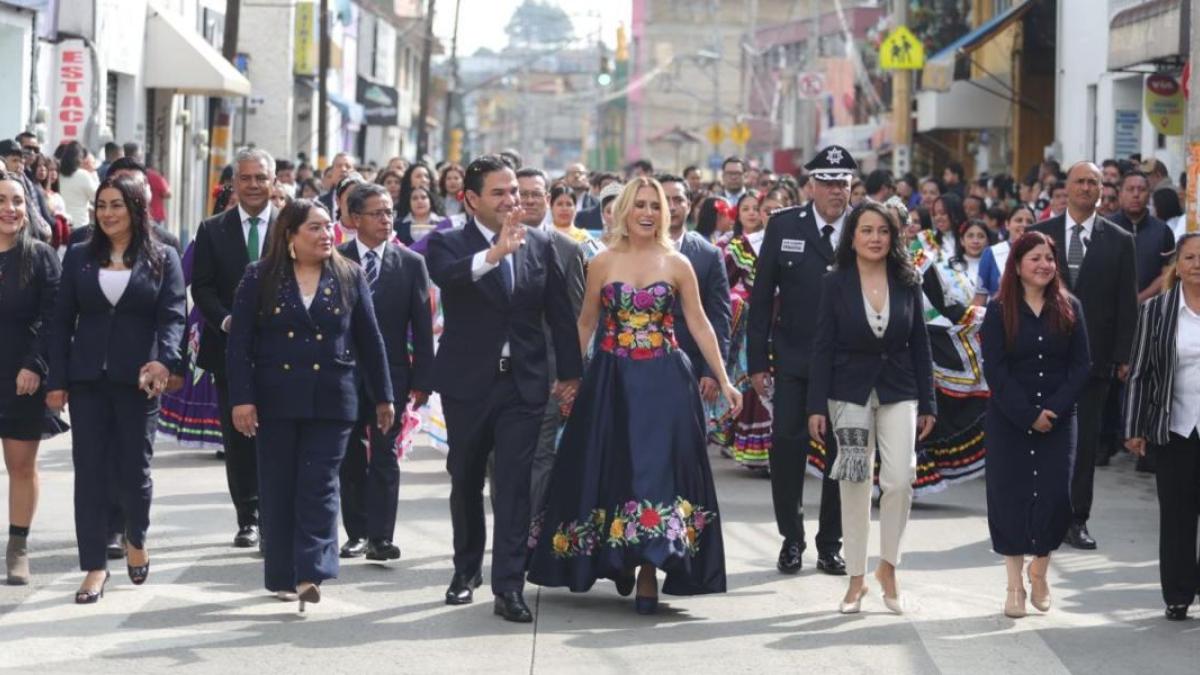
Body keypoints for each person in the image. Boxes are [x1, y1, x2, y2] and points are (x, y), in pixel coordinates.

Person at [527, 177, 741, 614]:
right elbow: (585, 322)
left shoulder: (678, 263)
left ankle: (648, 570)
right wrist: (570, 376)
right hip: (611, 379)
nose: (647, 212)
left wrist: (724, 378)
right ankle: (618, 557)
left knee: (656, 473)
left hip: (666, 382)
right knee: (613, 469)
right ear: (623, 210)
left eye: (655, 206)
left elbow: (700, 324)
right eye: (639, 204)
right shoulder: (602, 262)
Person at [424, 155, 582, 623]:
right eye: (500, 192)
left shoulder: (540, 244)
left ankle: (508, 587)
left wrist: (570, 374)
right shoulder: (448, 242)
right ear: (471, 199)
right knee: (467, 478)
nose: (512, 200)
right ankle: (465, 570)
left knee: (514, 488)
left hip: (524, 384)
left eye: (514, 191)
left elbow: (558, 312)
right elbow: (446, 277)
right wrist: (494, 255)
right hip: (468, 384)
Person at [226, 198, 393, 610]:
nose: (326, 235)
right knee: (279, 485)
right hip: (275, 398)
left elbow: (371, 342)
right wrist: (242, 399)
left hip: (332, 398)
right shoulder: (259, 277)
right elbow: (239, 345)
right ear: (290, 236)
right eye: (314, 228)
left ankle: (310, 571)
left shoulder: (349, 275)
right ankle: (283, 574)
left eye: (328, 227)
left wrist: (384, 396)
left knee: (319, 485)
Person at [46, 175, 186, 603]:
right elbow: (60, 320)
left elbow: (173, 316)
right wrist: (57, 381)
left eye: (116, 206)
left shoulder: (164, 257)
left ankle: (136, 537)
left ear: (136, 209)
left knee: (133, 471)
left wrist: (165, 359)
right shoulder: (79, 258)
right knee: (89, 475)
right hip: (87, 380)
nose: (107, 213)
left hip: (138, 381)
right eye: (101, 205)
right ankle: (93, 567)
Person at [808, 202, 936, 614]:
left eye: (883, 230)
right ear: (853, 236)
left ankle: (889, 567)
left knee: (900, 479)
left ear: (893, 235)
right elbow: (822, 346)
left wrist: (929, 401)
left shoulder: (908, 279)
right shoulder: (833, 282)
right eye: (866, 230)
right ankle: (856, 578)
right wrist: (816, 405)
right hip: (848, 393)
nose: (875, 238)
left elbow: (921, 343)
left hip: (900, 390)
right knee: (855, 483)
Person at [748, 145, 854, 576]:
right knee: (788, 448)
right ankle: (791, 538)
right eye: (827, 182)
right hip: (792, 359)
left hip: (848, 364)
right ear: (811, 185)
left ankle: (830, 543)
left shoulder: (866, 228)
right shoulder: (784, 226)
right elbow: (760, 299)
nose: (835, 191)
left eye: (842, 183)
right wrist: (758, 361)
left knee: (842, 455)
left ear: (852, 187)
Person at [981, 231, 1090, 618]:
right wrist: (1027, 413)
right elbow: (994, 368)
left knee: (1056, 498)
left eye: (1049, 258)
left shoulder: (1070, 307)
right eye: (1035, 258)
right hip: (1009, 419)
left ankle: (1040, 570)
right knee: (1008, 499)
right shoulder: (998, 311)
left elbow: (1081, 367)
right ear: (1018, 265)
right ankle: (1014, 586)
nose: (1044, 265)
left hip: (1059, 421)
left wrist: (1053, 411)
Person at [1030, 161, 1137, 550]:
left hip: (1094, 360)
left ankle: (1077, 519)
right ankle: (1040, 514)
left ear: (1101, 190)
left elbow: (1127, 304)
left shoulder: (1120, 239)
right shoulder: (1039, 235)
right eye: (1080, 181)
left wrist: (1124, 355)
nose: (1086, 188)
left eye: (1094, 182)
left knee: (1085, 443)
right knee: (1042, 438)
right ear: (1067, 187)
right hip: (1043, 357)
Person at [334, 184, 434, 561]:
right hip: (343, 373)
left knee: (385, 456)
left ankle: (381, 537)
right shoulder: (337, 259)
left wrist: (423, 380)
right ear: (355, 219)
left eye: (390, 211)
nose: (386, 219)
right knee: (349, 457)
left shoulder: (410, 263)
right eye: (377, 213)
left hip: (392, 377)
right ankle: (356, 532)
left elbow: (422, 327)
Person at [192, 148, 278, 549]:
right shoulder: (213, 229)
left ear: (273, 181)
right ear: (235, 183)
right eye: (246, 178)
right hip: (230, 349)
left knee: (279, 434)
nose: (254, 185)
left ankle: (278, 513)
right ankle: (249, 517)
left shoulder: (291, 226)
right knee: (239, 436)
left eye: (261, 178)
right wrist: (227, 321)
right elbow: (202, 287)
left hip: (285, 352)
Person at [1123, 234, 1200, 621]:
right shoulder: (1157, 310)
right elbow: (1140, 373)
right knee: (1177, 514)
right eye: (1190, 257)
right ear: (1178, 266)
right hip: (1175, 427)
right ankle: (1178, 593)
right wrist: (1135, 426)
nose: (1197, 264)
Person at [0, 173, 66, 585]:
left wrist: (35, 365)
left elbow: (55, 316)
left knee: (21, 465)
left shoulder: (41, 256)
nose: (10, 208)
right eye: (2, 200)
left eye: (17, 201)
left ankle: (18, 546)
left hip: (21, 374)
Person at [658, 175, 733, 447]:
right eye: (665, 200)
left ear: (690, 205)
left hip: (690, 366)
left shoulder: (708, 254)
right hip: (640, 364)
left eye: (679, 199)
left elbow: (719, 317)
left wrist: (712, 371)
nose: (673, 206)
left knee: (687, 447)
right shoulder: (632, 252)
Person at [712, 190, 770, 470]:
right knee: (752, 380)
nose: (754, 213)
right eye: (746, 208)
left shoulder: (789, 242)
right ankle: (754, 449)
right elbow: (721, 286)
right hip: (748, 325)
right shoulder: (738, 246)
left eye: (757, 208)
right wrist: (740, 300)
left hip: (783, 325)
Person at [1110, 171, 1178, 302]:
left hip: (1151, 308)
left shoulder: (1162, 230)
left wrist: (1139, 299)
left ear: (1149, 195)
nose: (1136, 194)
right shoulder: (1104, 227)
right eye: (1130, 189)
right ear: (1120, 194)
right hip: (1111, 308)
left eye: (1141, 190)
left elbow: (1168, 272)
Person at [976, 204, 1036, 302]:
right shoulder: (991, 253)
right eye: (1019, 220)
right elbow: (980, 297)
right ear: (1007, 224)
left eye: (1029, 221)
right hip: (999, 314)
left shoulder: (1043, 254)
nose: (1024, 225)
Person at [56, 141, 99, 230]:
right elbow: (97, 196)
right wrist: (94, 174)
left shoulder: (58, 174)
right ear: (80, 158)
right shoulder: (83, 175)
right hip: (80, 224)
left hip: (62, 224)